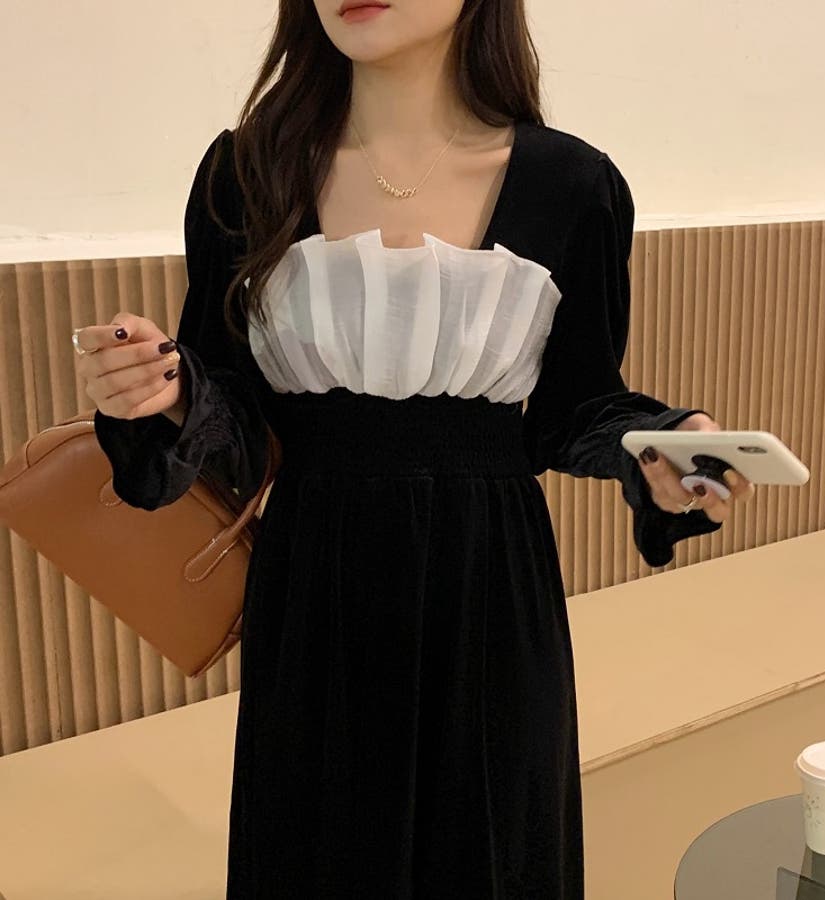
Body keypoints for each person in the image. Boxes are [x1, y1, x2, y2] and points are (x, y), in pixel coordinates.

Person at [71, 0, 754, 896]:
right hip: (316, 587)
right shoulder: (246, 171)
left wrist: (656, 446)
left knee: (490, 853)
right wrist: (160, 396)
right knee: (316, 852)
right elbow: (232, 416)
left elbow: (571, 407)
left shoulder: (572, 184)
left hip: (491, 590)